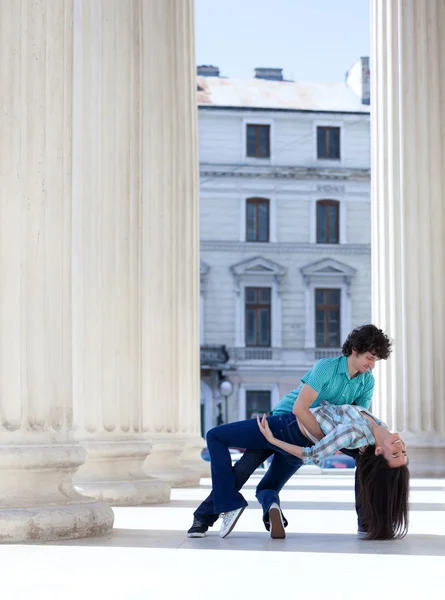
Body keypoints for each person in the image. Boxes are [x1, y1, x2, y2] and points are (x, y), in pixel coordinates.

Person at [187, 324, 393, 539]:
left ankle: (205, 518)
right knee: (267, 484)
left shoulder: (366, 381)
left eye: (376, 360)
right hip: (288, 422)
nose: (372, 365)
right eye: (370, 358)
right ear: (355, 349)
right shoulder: (327, 368)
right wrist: (327, 443)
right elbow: (299, 409)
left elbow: (358, 417)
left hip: (293, 431)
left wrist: (363, 443)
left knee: (238, 468)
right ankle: (253, 510)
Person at [206, 402, 409, 541]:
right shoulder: (377, 427)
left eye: (394, 454)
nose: (400, 446)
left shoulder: (354, 432)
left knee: (215, 436)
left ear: (380, 451)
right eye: (403, 452)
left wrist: (273, 440)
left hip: (286, 428)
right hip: (294, 436)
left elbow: (312, 454)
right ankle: (271, 505)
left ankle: (229, 504)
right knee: (267, 487)